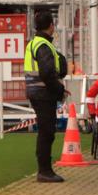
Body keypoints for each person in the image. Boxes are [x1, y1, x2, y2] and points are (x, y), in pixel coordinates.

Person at [24, 11, 69, 183]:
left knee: (46, 131)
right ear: (51, 25)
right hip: (43, 93)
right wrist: (60, 90)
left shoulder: (34, 43)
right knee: (46, 132)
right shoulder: (43, 45)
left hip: (37, 92)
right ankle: (44, 171)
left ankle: (45, 170)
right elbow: (47, 73)